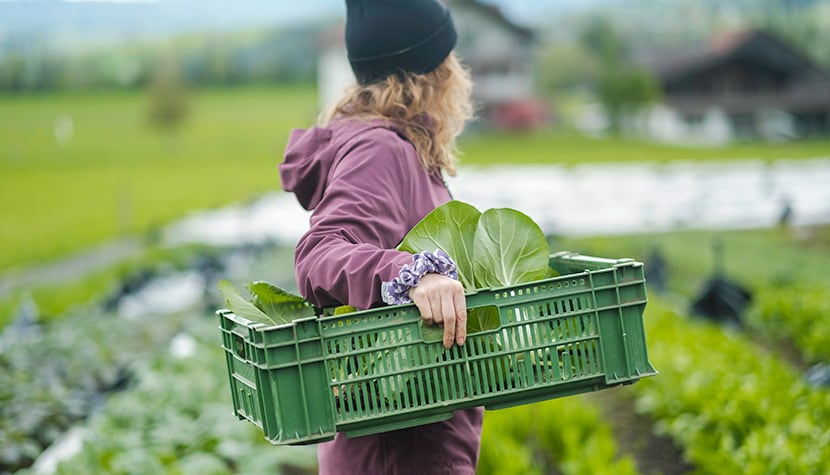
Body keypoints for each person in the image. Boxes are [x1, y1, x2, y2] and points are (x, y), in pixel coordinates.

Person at [278, 0, 480, 473]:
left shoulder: (401, 145)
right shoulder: (381, 150)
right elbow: (319, 254)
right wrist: (413, 274)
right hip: (397, 455)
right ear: (433, 71)